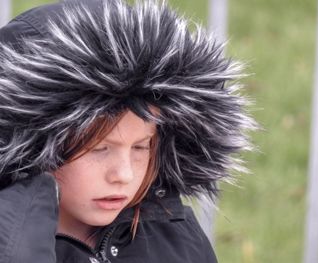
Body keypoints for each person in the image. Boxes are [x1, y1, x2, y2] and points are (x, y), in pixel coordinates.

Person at [0, 0, 257, 262]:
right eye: (99, 148)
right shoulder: (11, 249)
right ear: (32, 146)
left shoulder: (176, 237)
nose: (124, 174)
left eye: (141, 147)